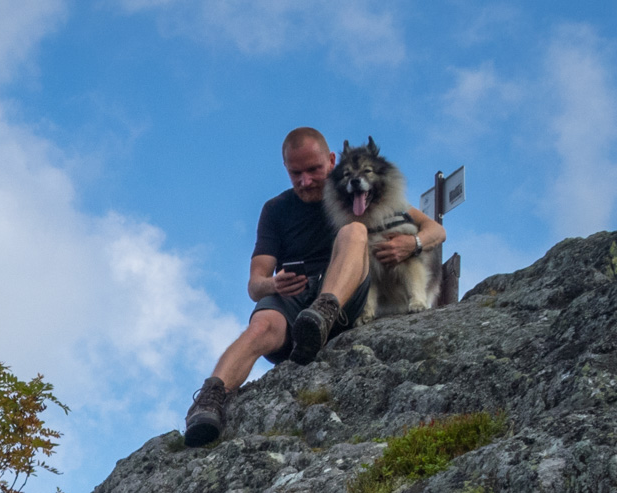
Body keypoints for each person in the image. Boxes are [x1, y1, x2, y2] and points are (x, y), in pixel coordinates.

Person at [183, 127, 445, 447]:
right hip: (295, 299)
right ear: (286, 170)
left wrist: (412, 243)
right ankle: (210, 401)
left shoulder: (359, 192)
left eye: (314, 170)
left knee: (354, 233)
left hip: (345, 295)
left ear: (332, 161)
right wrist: (272, 283)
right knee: (261, 325)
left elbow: (435, 231)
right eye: (296, 173)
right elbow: (255, 285)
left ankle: (323, 312)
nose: (305, 181)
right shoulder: (275, 210)